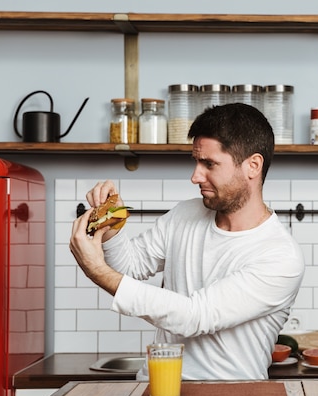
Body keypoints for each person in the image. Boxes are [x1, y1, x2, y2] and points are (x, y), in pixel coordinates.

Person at [70, 103, 305, 380]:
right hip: (157, 389)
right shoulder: (185, 214)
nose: (195, 176)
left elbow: (194, 316)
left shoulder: (280, 256)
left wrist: (96, 270)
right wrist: (111, 223)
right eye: (196, 162)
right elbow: (130, 266)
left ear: (252, 166)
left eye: (209, 164)